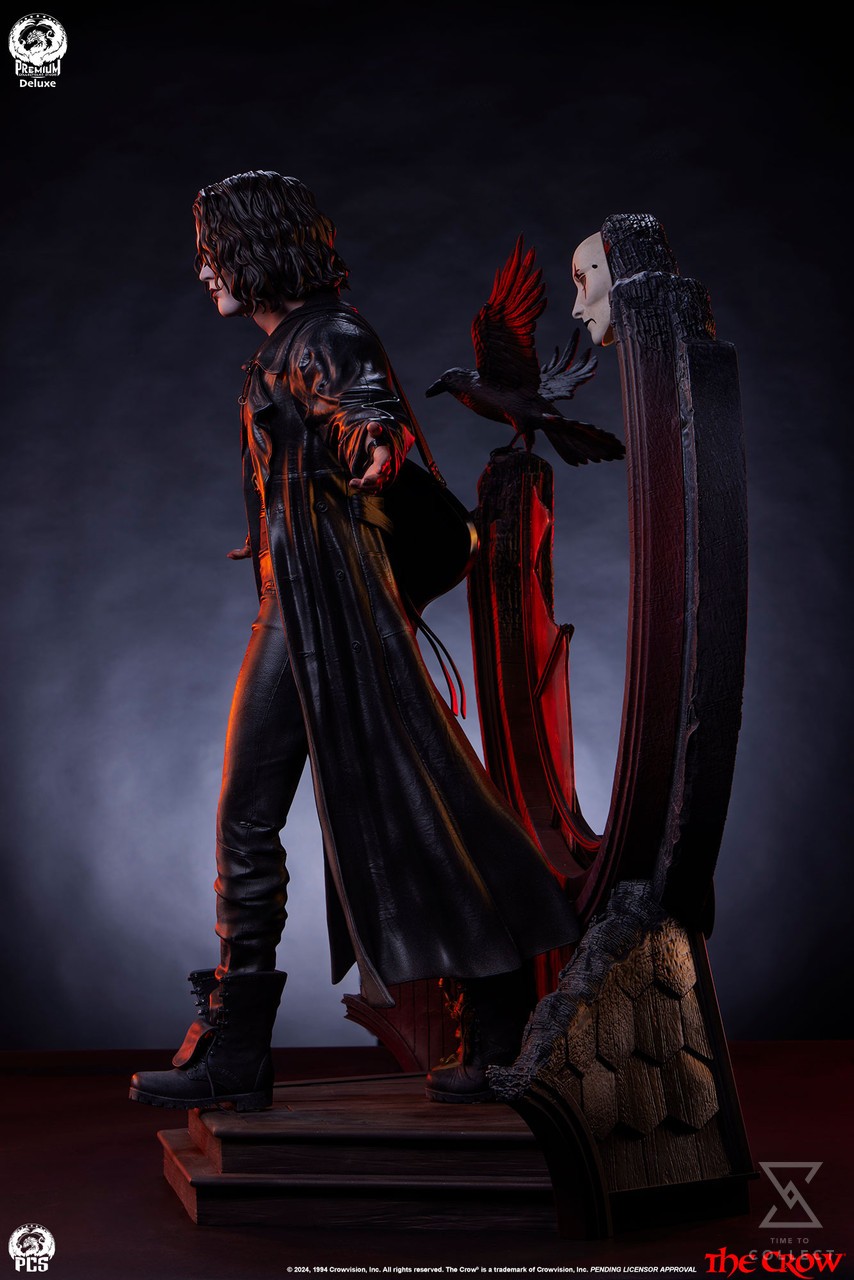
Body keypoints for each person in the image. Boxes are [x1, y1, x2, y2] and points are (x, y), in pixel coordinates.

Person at [129, 171, 579, 1112]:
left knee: (395, 803)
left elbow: (362, 408)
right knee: (308, 810)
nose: (203, 268)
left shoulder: (326, 337)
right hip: (301, 604)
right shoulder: (289, 344)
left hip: (329, 609)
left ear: (257, 247)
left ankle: (488, 1018)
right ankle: (247, 1049)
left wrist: (375, 444)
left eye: (214, 248)